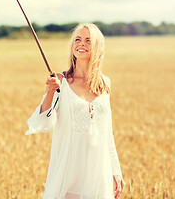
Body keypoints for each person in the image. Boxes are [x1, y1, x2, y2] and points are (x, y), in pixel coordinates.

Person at [25, 23, 125, 199]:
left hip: (97, 170)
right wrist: (50, 92)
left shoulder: (105, 83)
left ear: (97, 47)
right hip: (69, 170)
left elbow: (106, 132)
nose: (81, 44)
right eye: (77, 39)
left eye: (88, 40)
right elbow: (42, 121)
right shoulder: (61, 81)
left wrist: (115, 170)